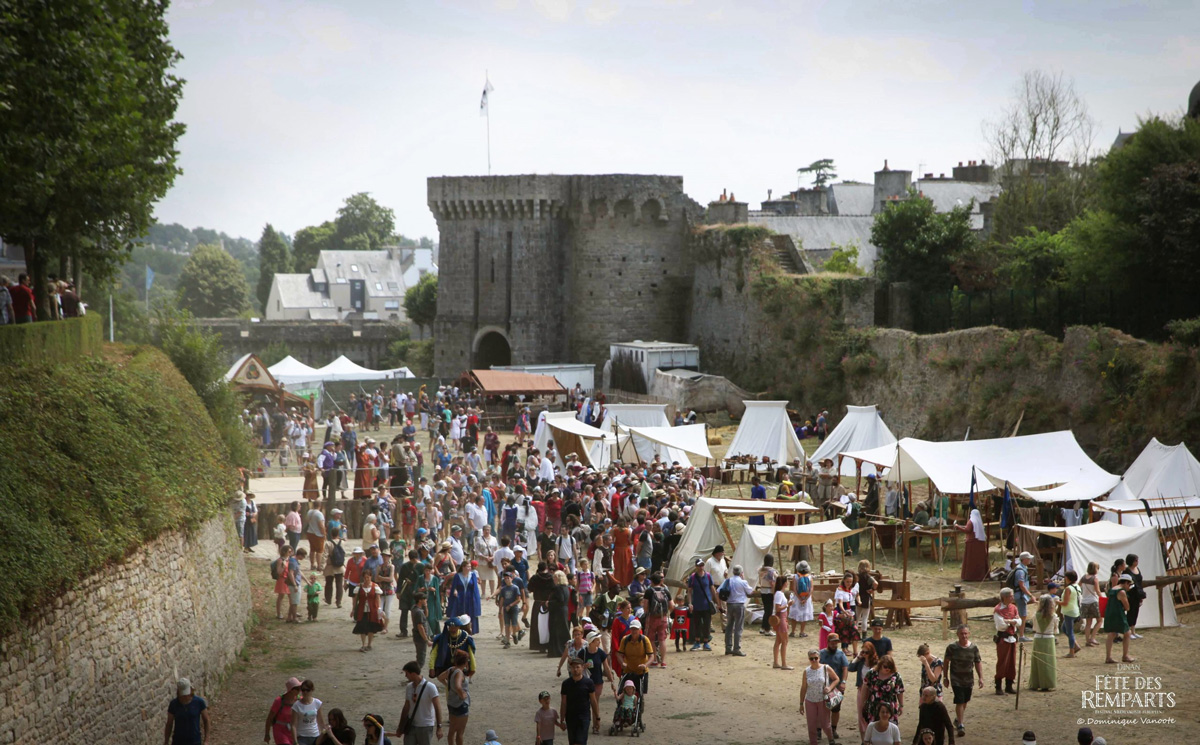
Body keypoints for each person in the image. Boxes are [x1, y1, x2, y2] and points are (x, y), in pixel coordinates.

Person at [942, 625, 983, 739]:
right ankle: (961, 724)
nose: (964, 636)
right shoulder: (952, 647)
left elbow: (977, 662)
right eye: (961, 633)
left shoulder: (973, 648)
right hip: (956, 679)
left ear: (969, 634)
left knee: (965, 700)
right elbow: (946, 662)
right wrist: (945, 677)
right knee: (959, 700)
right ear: (957, 634)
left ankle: (957, 719)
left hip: (968, 679)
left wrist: (981, 677)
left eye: (965, 633)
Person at [798, 647, 839, 745]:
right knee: (811, 724)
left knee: (825, 723)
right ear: (809, 659)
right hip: (810, 700)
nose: (814, 660)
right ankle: (813, 742)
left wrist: (829, 688)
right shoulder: (806, 671)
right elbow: (803, 687)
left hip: (822, 700)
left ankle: (830, 739)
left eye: (815, 658)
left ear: (819, 658)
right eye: (811, 659)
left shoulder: (825, 668)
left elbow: (836, 679)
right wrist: (801, 703)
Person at [560, 658, 598, 745]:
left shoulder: (589, 683)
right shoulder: (566, 684)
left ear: (582, 668)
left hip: (583, 717)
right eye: (573, 667)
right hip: (570, 717)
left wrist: (597, 717)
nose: (575, 669)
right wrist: (562, 719)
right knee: (572, 742)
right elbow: (563, 702)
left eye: (577, 667)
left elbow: (593, 701)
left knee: (580, 742)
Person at [818, 633, 849, 738]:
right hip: (823, 686)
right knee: (821, 709)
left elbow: (845, 668)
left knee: (836, 709)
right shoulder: (821, 654)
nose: (834, 644)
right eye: (832, 642)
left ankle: (833, 729)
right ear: (828, 642)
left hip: (837, 686)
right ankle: (818, 730)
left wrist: (843, 682)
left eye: (836, 642)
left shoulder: (841, 654)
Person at [437, 649, 471, 745]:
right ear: (465, 662)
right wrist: (462, 694)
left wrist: (448, 685)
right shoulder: (459, 672)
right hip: (460, 704)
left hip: (451, 702)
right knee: (460, 733)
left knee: (451, 730)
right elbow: (458, 686)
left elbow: (440, 677)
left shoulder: (451, 669)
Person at [642, 571, 674, 668]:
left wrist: (647, 613)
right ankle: (663, 661)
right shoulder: (666, 591)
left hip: (652, 617)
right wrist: (665, 612)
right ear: (660, 581)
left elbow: (645, 606)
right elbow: (672, 605)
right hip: (663, 617)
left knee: (651, 639)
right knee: (662, 639)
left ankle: (654, 659)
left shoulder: (649, 591)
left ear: (651, 581)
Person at [1027, 594, 1059, 691]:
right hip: (1048, 638)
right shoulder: (1054, 616)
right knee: (1048, 662)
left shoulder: (1035, 615)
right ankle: (1047, 683)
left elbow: (1034, 628)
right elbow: (1056, 630)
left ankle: (1035, 683)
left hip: (1038, 638)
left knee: (1037, 662)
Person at [863, 653, 905, 726]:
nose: (888, 669)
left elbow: (900, 691)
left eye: (890, 667)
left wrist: (901, 706)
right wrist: (863, 703)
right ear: (880, 665)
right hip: (874, 706)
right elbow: (865, 688)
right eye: (885, 666)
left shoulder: (896, 676)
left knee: (890, 728)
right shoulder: (872, 673)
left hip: (890, 707)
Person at [164, 678, 209, 745]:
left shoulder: (199, 702)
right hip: (178, 741)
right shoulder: (173, 704)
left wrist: (206, 740)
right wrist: (166, 741)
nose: (185, 697)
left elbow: (206, 720)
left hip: (194, 741)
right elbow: (169, 724)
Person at [992, 588, 1020, 695]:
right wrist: (1012, 622)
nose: (1013, 598)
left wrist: (1010, 621)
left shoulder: (1014, 608)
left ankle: (1009, 685)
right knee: (1002, 662)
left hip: (1012, 638)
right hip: (1003, 639)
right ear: (1005, 597)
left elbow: (1019, 622)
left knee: (1011, 663)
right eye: (1011, 596)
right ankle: (998, 686)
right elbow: (1001, 626)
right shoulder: (998, 610)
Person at [722, 564, 754, 656]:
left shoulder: (728, 581)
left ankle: (728, 647)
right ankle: (736, 648)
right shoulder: (743, 582)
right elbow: (750, 591)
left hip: (730, 604)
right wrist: (744, 579)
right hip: (739, 605)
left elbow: (719, 591)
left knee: (729, 626)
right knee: (738, 627)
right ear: (741, 573)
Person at [686, 558, 716, 651]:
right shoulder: (693, 577)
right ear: (696, 566)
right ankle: (697, 641)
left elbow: (712, 589)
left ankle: (706, 642)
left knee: (707, 624)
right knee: (697, 624)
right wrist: (690, 603)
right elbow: (689, 591)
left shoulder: (708, 576)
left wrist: (716, 601)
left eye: (702, 565)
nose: (701, 567)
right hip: (696, 604)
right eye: (699, 565)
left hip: (706, 604)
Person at [1104, 574, 1135, 664]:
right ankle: (1125, 656)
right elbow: (1127, 606)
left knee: (1111, 634)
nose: (1129, 587)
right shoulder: (1121, 592)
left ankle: (1108, 657)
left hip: (1110, 613)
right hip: (1118, 614)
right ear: (1126, 582)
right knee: (1127, 633)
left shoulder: (1112, 589)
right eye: (1129, 584)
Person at [265, 678, 301, 745]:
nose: (300, 691)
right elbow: (270, 718)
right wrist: (267, 734)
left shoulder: (299, 700)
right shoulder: (279, 701)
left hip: (293, 731)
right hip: (280, 731)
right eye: (297, 689)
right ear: (291, 690)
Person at [290, 680, 325, 745]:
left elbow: (321, 721)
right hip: (302, 737)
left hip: (315, 736)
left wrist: (324, 734)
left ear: (312, 690)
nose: (305, 692)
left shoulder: (317, 703)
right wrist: (295, 741)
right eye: (303, 690)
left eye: (307, 690)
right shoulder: (296, 705)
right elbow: (293, 725)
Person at [958, 509, 988, 582]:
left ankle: (970, 576)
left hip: (972, 543)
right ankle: (980, 575)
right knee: (978, 560)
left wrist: (957, 527)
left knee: (971, 560)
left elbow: (967, 530)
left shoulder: (971, 521)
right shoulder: (978, 522)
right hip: (979, 543)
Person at [1059, 570, 1082, 657]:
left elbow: (1065, 602)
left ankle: (1071, 651)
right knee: (1064, 628)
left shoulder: (1068, 588)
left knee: (1070, 631)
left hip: (1069, 611)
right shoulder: (1077, 586)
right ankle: (1075, 645)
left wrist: (1056, 601)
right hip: (1075, 610)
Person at [1012, 552, 1034, 642]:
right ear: (1024, 559)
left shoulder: (1022, 568)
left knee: (1021, 615)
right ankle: (1021, 635)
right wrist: (1030, 595)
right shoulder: (1020, 570)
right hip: (1020, 595)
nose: (1030, 560)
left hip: (1020, 594)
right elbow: (1021, 585)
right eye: (1028, 558)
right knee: (1023, 615)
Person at [772, 575, 792, 670]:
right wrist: (788, 605)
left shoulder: (779, 593)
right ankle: (784, 663)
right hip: (781, 618)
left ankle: (776, 662)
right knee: (784, 641)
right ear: (784, 583)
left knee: (778, 641)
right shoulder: (779, 594)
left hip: (782, 617)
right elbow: (778, 608)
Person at [1080, 562, 1102, 648]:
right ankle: (1092, 638)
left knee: (1088, 623)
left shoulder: (1083, 577)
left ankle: (1087, 641)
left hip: (1084, 601)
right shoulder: (1095, 579)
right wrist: (1103, 598)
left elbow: (1079, 586)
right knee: (1099, 620)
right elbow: (1097, 591)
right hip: (1093, 601)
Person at [789, 560, 813, 638]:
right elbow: (811, 589)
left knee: (794, 615)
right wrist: (805, 599)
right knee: (804, 615)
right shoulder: (809, 577)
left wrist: (799, 598)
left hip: (797, 598)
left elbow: (794, 589)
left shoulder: (795, 577)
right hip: (806, 598)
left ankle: (792, 632)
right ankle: (802, 632)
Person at [1125, 553, 1146, 640]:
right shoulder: (1127, 571)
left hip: (1138, 593)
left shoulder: (1137, 569)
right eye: (1136, 560)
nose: (1137, 562)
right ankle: (1128, 631)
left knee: (1136, 612)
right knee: (1130, 612)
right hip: (1131, 594)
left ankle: (1133, 631)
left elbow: (1140, 582)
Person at [756, 553, 777, 635]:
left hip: (763, 591)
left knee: (766, 610)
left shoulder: (761, 570)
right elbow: (772, 582)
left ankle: (763, 627)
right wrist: (774, 591)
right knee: (769, 611)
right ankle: (767, 629)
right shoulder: (771, 571)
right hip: (769, 591)